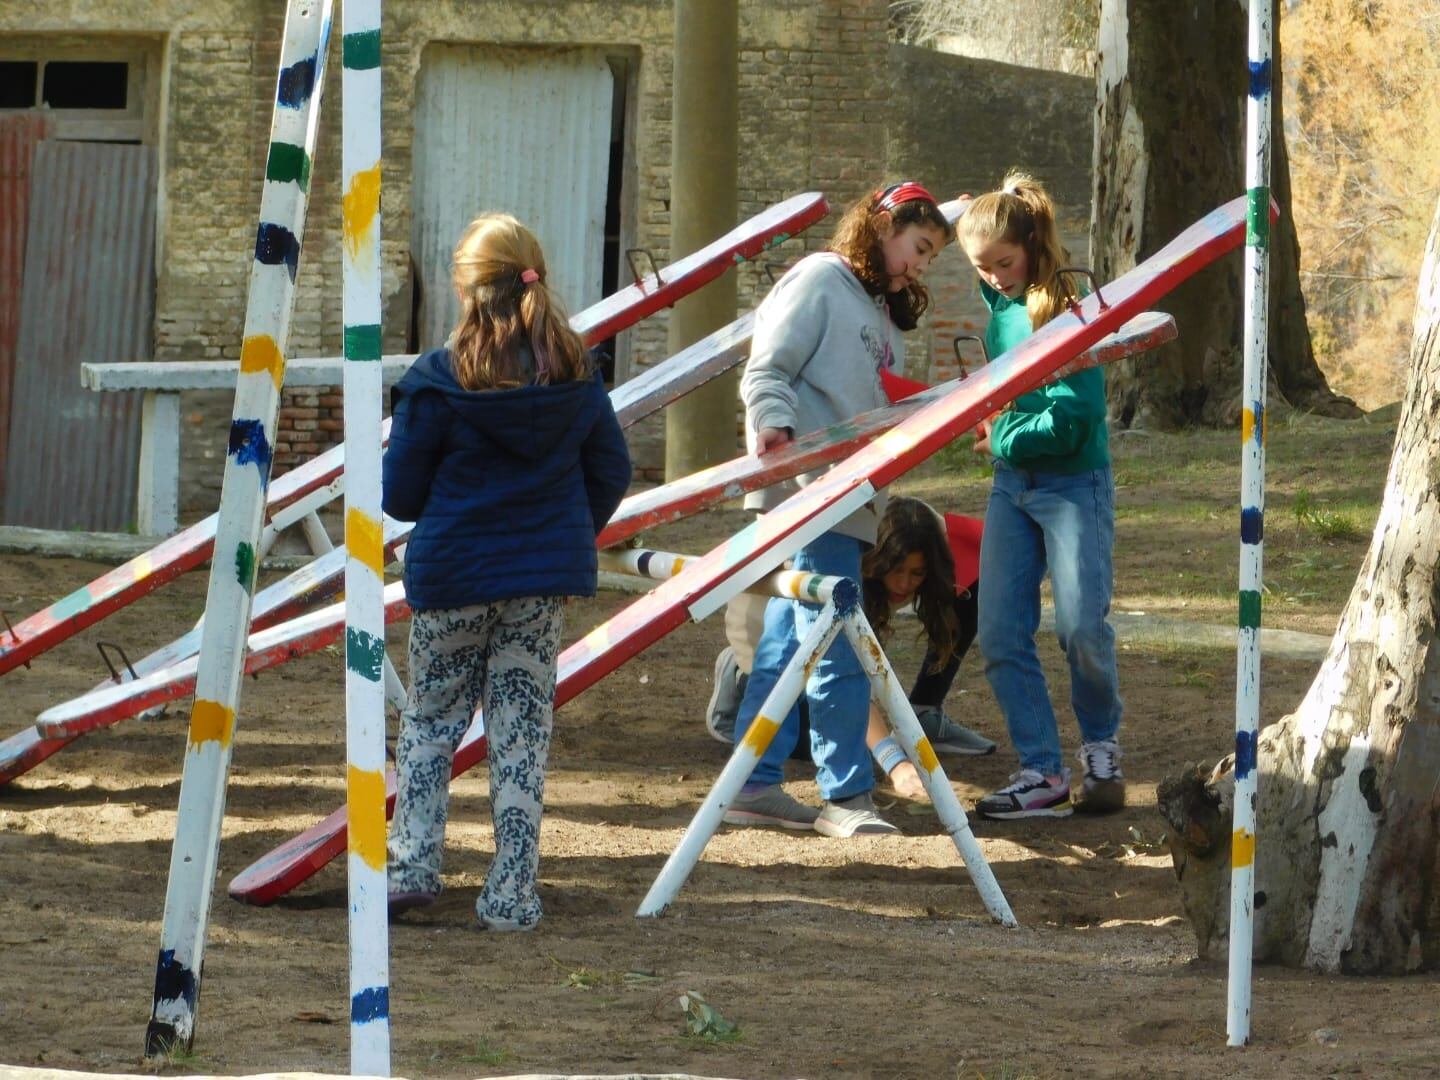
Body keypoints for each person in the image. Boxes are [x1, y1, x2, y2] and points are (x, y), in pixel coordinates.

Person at [381, 212, 632, 928]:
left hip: (452, 576)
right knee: (521, 736)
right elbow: (610, 468)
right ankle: (512, 896)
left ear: (465, 289)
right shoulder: (578, 375)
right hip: (537, 585)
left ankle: (411, 868)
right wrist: (563, 532)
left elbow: (399, 494)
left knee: (430, 722)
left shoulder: (437, 379)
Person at [723, 181, 953, 838]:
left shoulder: (880, 314)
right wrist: (773, 428)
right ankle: (846, 795)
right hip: (809, 491)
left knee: (784, 644)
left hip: (851, 495)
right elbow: (768, 366)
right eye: (919, 246)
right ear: (882, 226)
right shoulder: (821, 280)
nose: (920, 265)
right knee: (838, 646)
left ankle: (753, 783)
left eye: (931, 256)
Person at [955, 172, 1124, 820]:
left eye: (1005, 262)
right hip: (1011, 490)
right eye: (983, 267)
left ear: (1029, 244)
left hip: (1072, 485)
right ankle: (1041, 772)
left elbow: (1074, 418)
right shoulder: (998, 305)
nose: (996, 276)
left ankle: (1102, 751)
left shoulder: (1064, 303)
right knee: (1000, 632)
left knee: (1081, 628)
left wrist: (1003, 436)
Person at [706, 496, 996, 801]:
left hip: (848, 583)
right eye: (895, 569)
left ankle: (922, 712)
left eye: (916, 573)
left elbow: (979, 557)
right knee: (825, 733)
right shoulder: (833, 562)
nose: (903, 584)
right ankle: (740, 680)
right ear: (876, 558)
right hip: (760, 625)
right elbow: (847, 684)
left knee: (970, 584)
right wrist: (894, 762)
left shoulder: (922, 530)